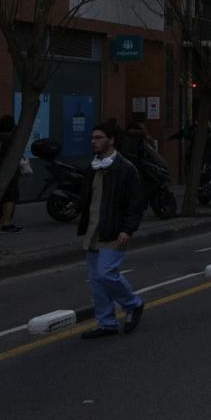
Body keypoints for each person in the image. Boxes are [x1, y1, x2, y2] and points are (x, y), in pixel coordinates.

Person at [77, 122, 146, 339]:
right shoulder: (93, 167)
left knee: (107, 273)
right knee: (96, 280)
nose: (93, 141)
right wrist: (75, 206)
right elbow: (87, 198)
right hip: (93, 231)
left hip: (114, 231)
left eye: (98, 137)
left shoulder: (125, 169)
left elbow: (136, 203)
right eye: (92, 138)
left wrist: (128, 229)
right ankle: (106, 323)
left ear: (111, 140)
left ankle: (133, 304)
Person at [0, 115, 23, 233]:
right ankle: (7, 223)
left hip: (0, 169)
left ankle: (1, 217)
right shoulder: (10, 138)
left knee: (3, 194)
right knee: (10, 196)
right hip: (9, 170)